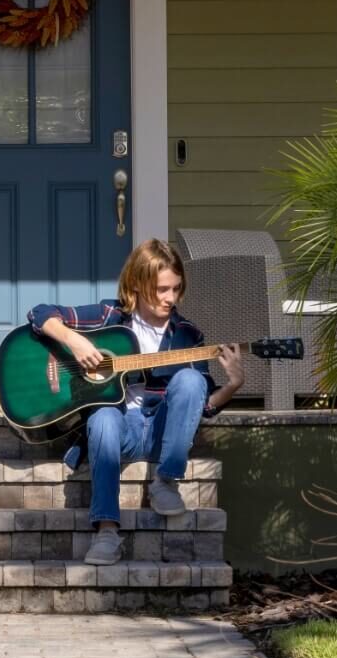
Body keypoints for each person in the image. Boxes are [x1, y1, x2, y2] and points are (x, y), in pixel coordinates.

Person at [27, 238, 244, 564]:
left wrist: (234, 384)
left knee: (190, 379)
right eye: (161, 289)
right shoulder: (110, 316)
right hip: (119, 431)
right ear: (137, 285)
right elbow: (40, 314)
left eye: (176, 288)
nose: (171, 298)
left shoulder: (188, 335)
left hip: (162, 433)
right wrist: (75, 343)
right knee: (102, 415)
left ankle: (166, 481)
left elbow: (202, 406)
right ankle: (106, 531)